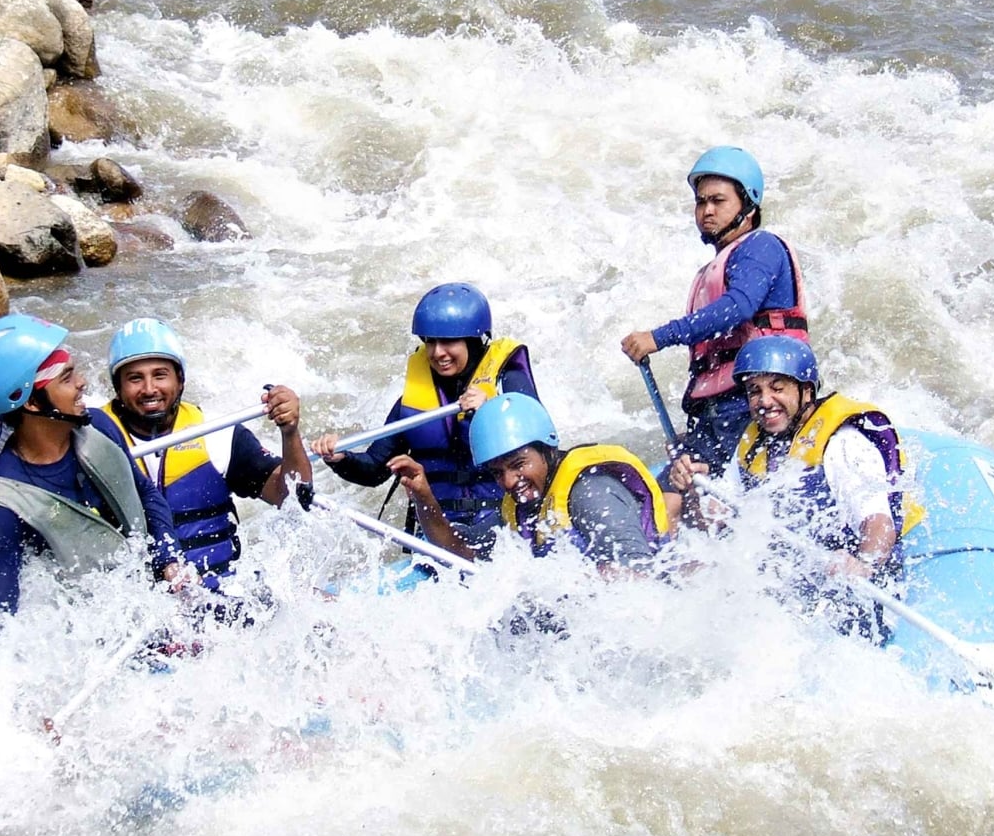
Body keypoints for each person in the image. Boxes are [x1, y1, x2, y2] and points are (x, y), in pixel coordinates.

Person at [666, 336, 923, 639]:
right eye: (755, 391)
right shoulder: (754, 443)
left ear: (806, 391)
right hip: (792, 575)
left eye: (777, 388)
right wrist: (693, 492)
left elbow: (878, 523)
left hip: (852, 580)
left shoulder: (842, 443)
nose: (764, 401)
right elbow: (715, 521)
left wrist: (863, 563)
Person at [0, 314, 179, 650]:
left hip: (151, 603)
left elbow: (145, 494)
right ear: (33, 401)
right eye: (66, 378)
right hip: (90, 644)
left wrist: (169, 560)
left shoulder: (99, 426)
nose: (82, 383)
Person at [620, 146, 809, 473]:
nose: (707, 210)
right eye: (700, 201)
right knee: (673, 498)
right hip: (714, 412)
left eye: (718, 201)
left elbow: (738, 307)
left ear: (748, 206)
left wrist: (659, 337)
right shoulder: (709, 271)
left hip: (753, 403)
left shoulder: (761, 247)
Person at [102, 316, 310, 595]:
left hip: (218, 599)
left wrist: (290, 432)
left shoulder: (217, 434)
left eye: (160, 375)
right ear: (118, 387)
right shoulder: (92, 441)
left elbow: (292, 496)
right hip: (138, 612)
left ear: (181, 380)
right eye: (135, 378)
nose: (149, 389)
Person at [310, 282, 539, 536]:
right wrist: (340, 458)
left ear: (473, 341)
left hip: (505, 525)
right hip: (440, 531)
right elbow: (374, 470)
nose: (437, 352)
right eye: (430, 342)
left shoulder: (507, 384)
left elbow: (541, 452)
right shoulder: (412, 402)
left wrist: (492, 411)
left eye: (448, 341)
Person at [388, 393, 670, 569]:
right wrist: (424, 497)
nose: (509, 481)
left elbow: (636, 577)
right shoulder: (521, 509)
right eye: (497, 473)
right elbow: (459, 551)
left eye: (518, 465)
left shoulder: (590, 493)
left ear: (547, 450)